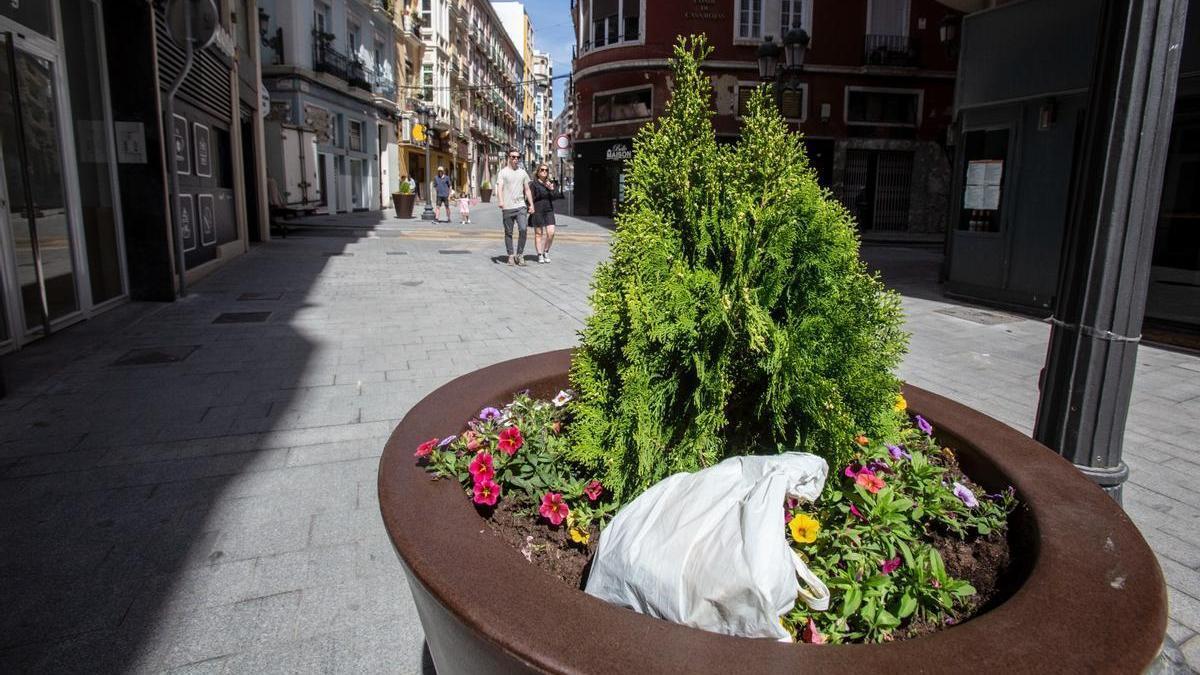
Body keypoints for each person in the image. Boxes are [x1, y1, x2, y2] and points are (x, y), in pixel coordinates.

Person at [496, 149, 534, 266]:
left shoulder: (522, 172)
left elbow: (527, 189)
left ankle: (520, 254)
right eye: (513, 157)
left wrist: (531, 204)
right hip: (507, 207)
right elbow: (500, 188)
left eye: (517, 157)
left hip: (521, 206)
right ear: (509, 157)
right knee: (509, 232)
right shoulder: (503, 172)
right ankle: (511, 255)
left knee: (523, 229)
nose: (515, 159)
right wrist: (501, 201)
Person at [529, 164, 563, 264]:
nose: (544, 171)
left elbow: (556, 197)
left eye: (546, 170)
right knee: (539, 234)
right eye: (542, 170)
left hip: (549, 210)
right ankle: (540, 254)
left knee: (551, 233)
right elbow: (530, 197)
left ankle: (546, 251)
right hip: (538, 210)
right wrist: (530, 207)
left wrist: (551, 188)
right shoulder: (533, 184)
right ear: (538, 172)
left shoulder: (550, 183)